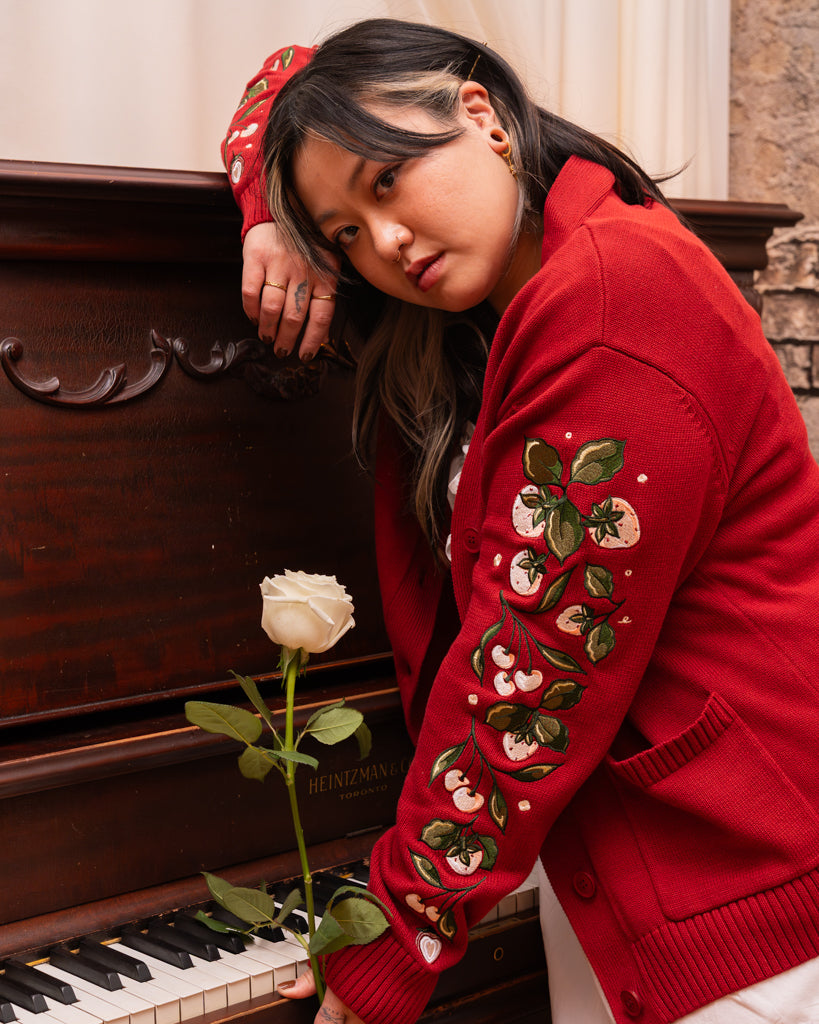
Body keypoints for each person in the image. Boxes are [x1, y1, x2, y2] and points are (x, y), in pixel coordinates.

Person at [222, 19, 819, 1024]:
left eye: (384, 184)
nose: (386, 244)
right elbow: (278, 80)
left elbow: (534, 665)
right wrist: (269, 213)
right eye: (346, 239)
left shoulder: (617, 294)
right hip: (609, 872)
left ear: (480, 113)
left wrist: (397, 937)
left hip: (736, 899)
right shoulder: (494, 299)